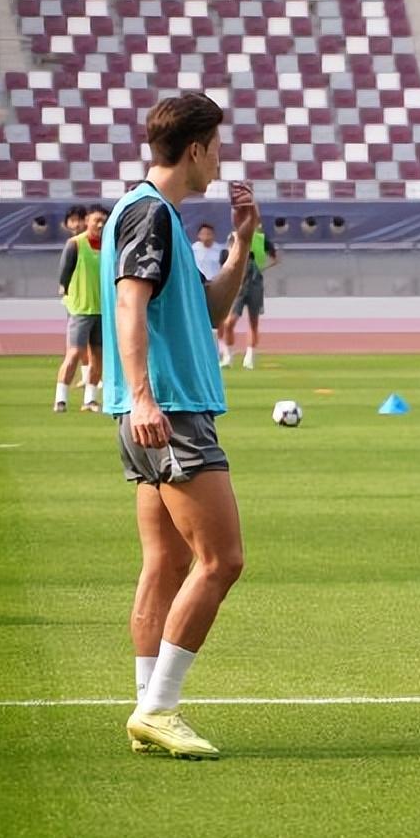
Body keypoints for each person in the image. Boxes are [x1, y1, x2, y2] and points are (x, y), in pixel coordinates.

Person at [100, 92, 257, 759]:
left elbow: (211, 310)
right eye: (216, 147)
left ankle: (147, 707)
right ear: (195, 149)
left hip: (155, 410)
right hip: (170, 411)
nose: (219, 160)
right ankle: (159, 708)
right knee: (222, 560)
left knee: (166, 562)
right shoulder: (149, 214)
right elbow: (129, 303)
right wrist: (143, 397)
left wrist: (241, 242)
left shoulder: (152, 214)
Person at [53, 203, 108, 412]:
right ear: (87, 221)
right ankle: (60, 398)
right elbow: (64, 272)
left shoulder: (108, 246)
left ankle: (90, 399)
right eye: (97, 220)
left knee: (98, 355)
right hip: (81, 308)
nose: (100, 225)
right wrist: (65, 290)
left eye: (103, 221)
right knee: (74, 352)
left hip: (101, 309)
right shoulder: (75, 244)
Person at [217, 224, 277, 369]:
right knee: (229, 321)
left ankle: (249, 356)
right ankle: (228, 355)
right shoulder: (234, 237)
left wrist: (262, 268)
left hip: (255, 283)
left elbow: (274, 257)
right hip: (238, 284)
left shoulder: (261, 239)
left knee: (253, 321)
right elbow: (227, 257)